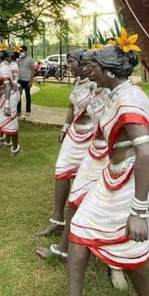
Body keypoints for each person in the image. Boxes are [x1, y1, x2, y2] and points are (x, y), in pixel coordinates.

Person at [61, 36, 149, 296]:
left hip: (136, 180)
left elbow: (145, 154)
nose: (86, 70)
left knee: (128, 247)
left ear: (108, 72)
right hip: (116, 173)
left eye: (92, 66)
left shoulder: (129, 100)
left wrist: (139, 211)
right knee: (81, 228)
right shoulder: (113, 93)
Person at [34, 50, 95, 240]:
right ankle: (57, 219)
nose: (68, 65)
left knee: (87, 181)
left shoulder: (96, 84)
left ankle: (83, 222)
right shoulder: (78, 81)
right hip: (74, 133)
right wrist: (65, 128)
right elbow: (71, 107)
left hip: (91, 135)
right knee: (61, 171)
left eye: (71, 62)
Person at [16, 45, 35, 117]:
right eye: (20, 51)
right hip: (19, 80)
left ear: (25, 51)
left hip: (27, 80)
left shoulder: (30, 59)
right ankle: (18, 111)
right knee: (18, 96)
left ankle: (28, 110)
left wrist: (31, 81)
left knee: (27, 95)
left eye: (22, 51)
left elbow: (33, 71)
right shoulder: (19, 60)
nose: (21, 52)